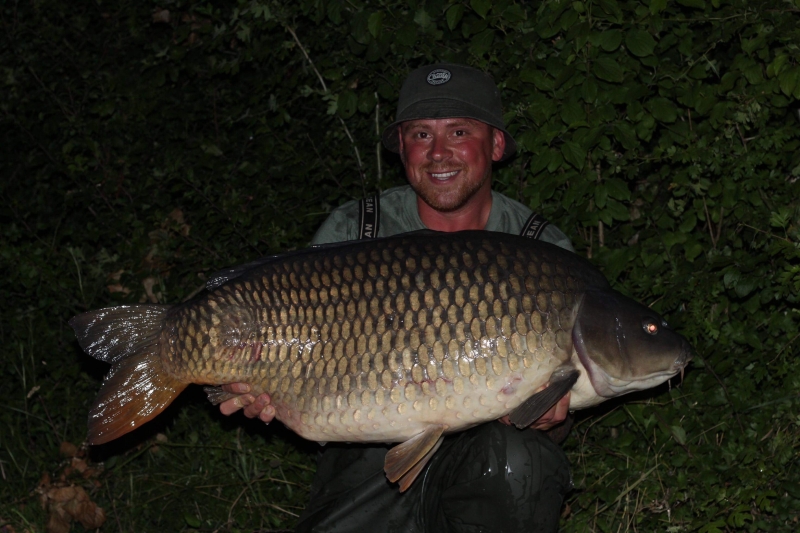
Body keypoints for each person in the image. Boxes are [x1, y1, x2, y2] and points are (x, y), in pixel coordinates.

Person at [220, 63, 574, 532]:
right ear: (402, 147)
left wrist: (550, 418)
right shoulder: (355, 229)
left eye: (459, 131)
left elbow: (564, 405)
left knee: (518, 463)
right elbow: (294, 343)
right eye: (421, 135)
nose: (438, 153)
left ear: (496, 144)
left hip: (492, 449)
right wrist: (260, 380)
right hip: (365, 453)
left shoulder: (543, 252)